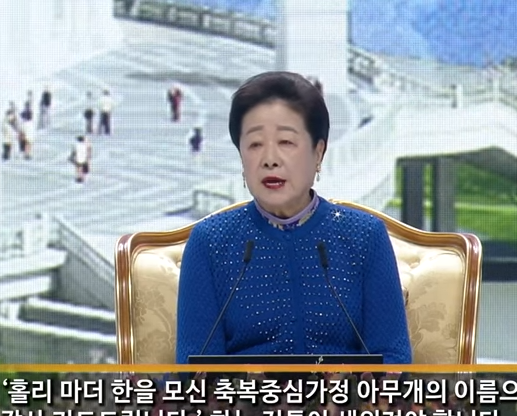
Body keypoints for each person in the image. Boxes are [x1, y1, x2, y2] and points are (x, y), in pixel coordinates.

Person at [176, 71, 412, 364]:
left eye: (286, 142)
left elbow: (393, 356)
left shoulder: (364, 236)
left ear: (318, 153)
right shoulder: (210, 241)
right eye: (255, 144)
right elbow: (194, 366)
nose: (270, 159)